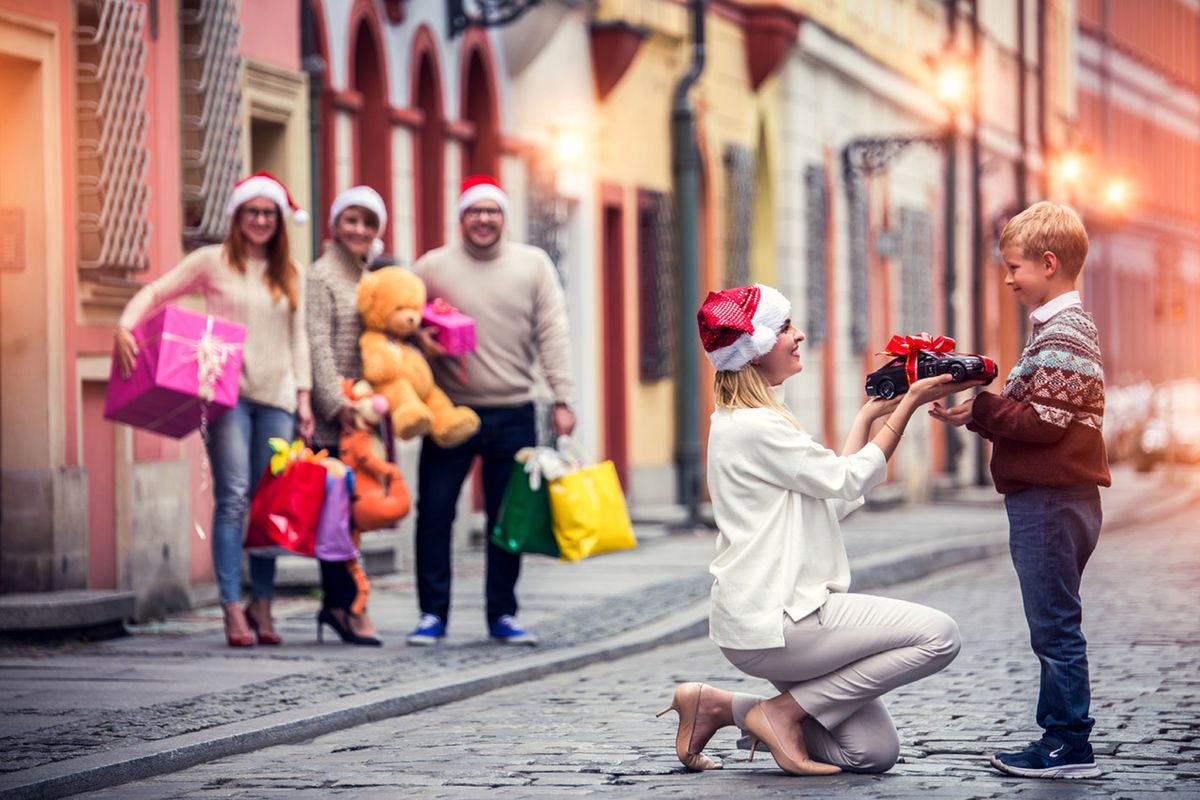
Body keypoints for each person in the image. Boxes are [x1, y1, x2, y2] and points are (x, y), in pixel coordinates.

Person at [657, 284, 977, 775]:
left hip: (767, 617)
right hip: (780, 617)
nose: (799, 334)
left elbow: (838, 493)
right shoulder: (756, 426)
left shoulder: (747, 421)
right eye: (785, 327)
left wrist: (871, 414)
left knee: (870, 753)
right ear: (755, 350)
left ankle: (722, 707)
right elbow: (848, 477)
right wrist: (910, 403)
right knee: (939, 636)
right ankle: (783, 712)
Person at [930, 201, 1110, 779]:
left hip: (1052, 499)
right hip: (1052, 497)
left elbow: (1044, 423)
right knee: (1052, 621)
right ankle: (1061, 737)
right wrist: (975, 416)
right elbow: (1036, 410)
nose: (1008, 278)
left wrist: (985, 406)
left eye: (1014, 268)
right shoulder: (1057, 330)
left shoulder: (1066, 331)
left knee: (1054, 624)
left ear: (1049, 263)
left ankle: (1066, 745)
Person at [114, 172, 313, 648]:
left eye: (269, 213)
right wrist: (125, 324)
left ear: (279, 221)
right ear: (237, 216)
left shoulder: (292, 273)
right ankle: (231, 607)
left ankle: (261, 603)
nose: (261, 220)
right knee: (235, 497)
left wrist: (304, 398)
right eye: (253, 212)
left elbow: (298, 337)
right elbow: (158, 290)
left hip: (279, 398)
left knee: (268, 507)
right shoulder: (212, 261)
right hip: (226, 394)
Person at [406, 175, 575, 647]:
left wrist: (563, 398)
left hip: (514, 410)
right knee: (436, 512)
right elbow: (399, 323)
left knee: (508, 520)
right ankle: (430, 614)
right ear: (461, 218)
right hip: (449, 413)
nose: (484, 219)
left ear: (505, 217)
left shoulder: (533, 265)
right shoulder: (432, 267)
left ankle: (502, 613)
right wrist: (420, 338)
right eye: (474, 211)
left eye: (492, 211)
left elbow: (553, 333)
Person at [306, 185, 391, 647]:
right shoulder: (322, 277)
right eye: (350, 220)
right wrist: (336, 406)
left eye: (367, 222)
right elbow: (317, 344)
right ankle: (342, 607)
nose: (358, 229)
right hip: (334, 419)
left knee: (354, 517)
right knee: (338, 520)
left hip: (365, 419)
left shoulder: (370, 278)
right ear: (336, 225)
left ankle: (343, 605)